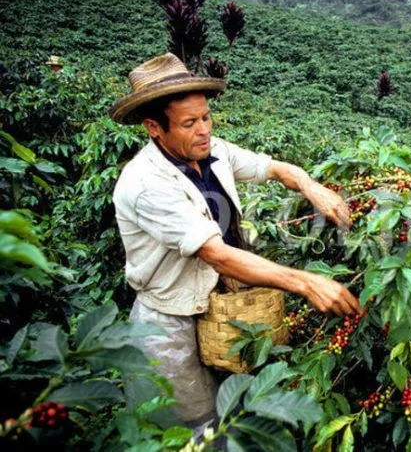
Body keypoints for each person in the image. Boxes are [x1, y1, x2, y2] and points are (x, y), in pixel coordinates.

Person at [110, 53, 361, 430]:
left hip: (223, 309)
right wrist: (308, 283)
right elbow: (217, 254)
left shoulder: (214, 152)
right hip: (171, 321)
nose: (204, 130)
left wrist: (312, 186)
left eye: (206, 117)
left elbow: (273, 168)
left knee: (233, 406)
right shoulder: (146, 183)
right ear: (154, 128)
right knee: (192, 425)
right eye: (189, 123)